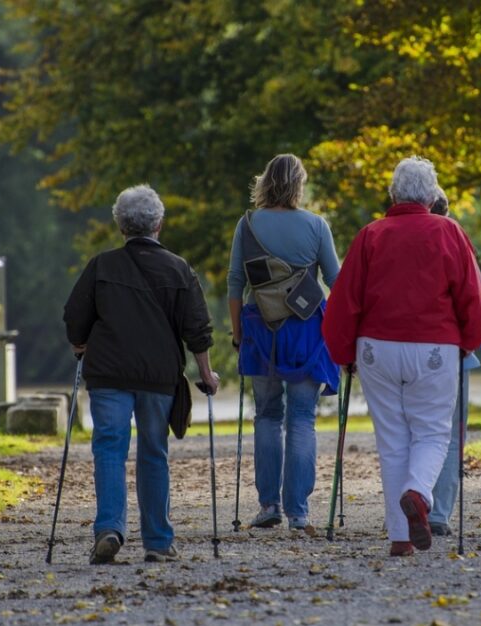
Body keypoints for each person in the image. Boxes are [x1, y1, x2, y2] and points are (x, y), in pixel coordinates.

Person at [323, 156, 481, 557]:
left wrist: (343, 352)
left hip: (377, 347)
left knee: (392, 439)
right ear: (432, 195)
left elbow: (345, 300)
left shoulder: (370, 235)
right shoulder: (449, 231)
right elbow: (470, 294)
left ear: (393, 194)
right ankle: (418, 493)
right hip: (434, 345)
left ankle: (400, 537)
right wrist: (471, 340)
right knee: (432, 432)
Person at [64, 184, 219, 564]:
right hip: (157, 377)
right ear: (159, 225)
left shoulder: (101, 266)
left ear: (120, 225)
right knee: (153, 453)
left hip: (109, 375)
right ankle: (158, 541)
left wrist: (79, 343)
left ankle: (110, 529)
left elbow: (74, 315)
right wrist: (207, 373)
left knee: (109, 449)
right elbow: (197, 328)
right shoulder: (179, 268)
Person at [227, 154, 340, 531]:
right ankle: (299, 511)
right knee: (302, 418)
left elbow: (234, 284)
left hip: (261, 327)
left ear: (264, 182)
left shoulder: (247, 225)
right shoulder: (316, 225)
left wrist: (238, 333)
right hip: (307, 329)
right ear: (299, 184)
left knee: (267, 414)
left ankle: (268, 505)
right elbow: (336, 282)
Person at [427, 188, 481, 537]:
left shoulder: (389, 241)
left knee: (410, 434)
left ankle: (409, 506)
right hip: (450, 354)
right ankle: (439, 513)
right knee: (447, 434)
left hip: (397, 352)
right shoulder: (456, 243)